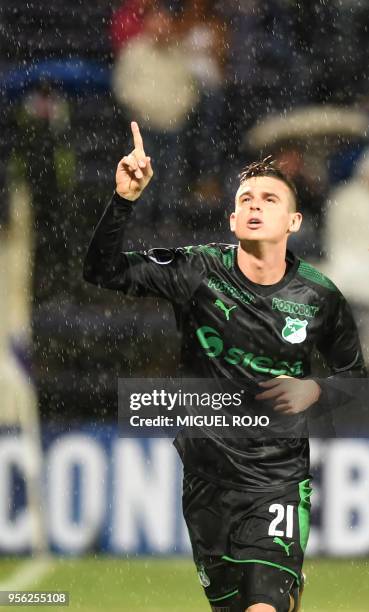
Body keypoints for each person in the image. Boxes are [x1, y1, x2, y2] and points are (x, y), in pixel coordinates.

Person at [83, 122, 366, 612]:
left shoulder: (320, 297)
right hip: (207, 484)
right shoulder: (197, 269)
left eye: (269, 199)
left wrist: (314, 391)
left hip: (277, 482)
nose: (255, 205)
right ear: (233, 220)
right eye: (246, 199)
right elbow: (101, 270)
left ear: (294, 222)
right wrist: (124, 200)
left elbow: (357, 386)